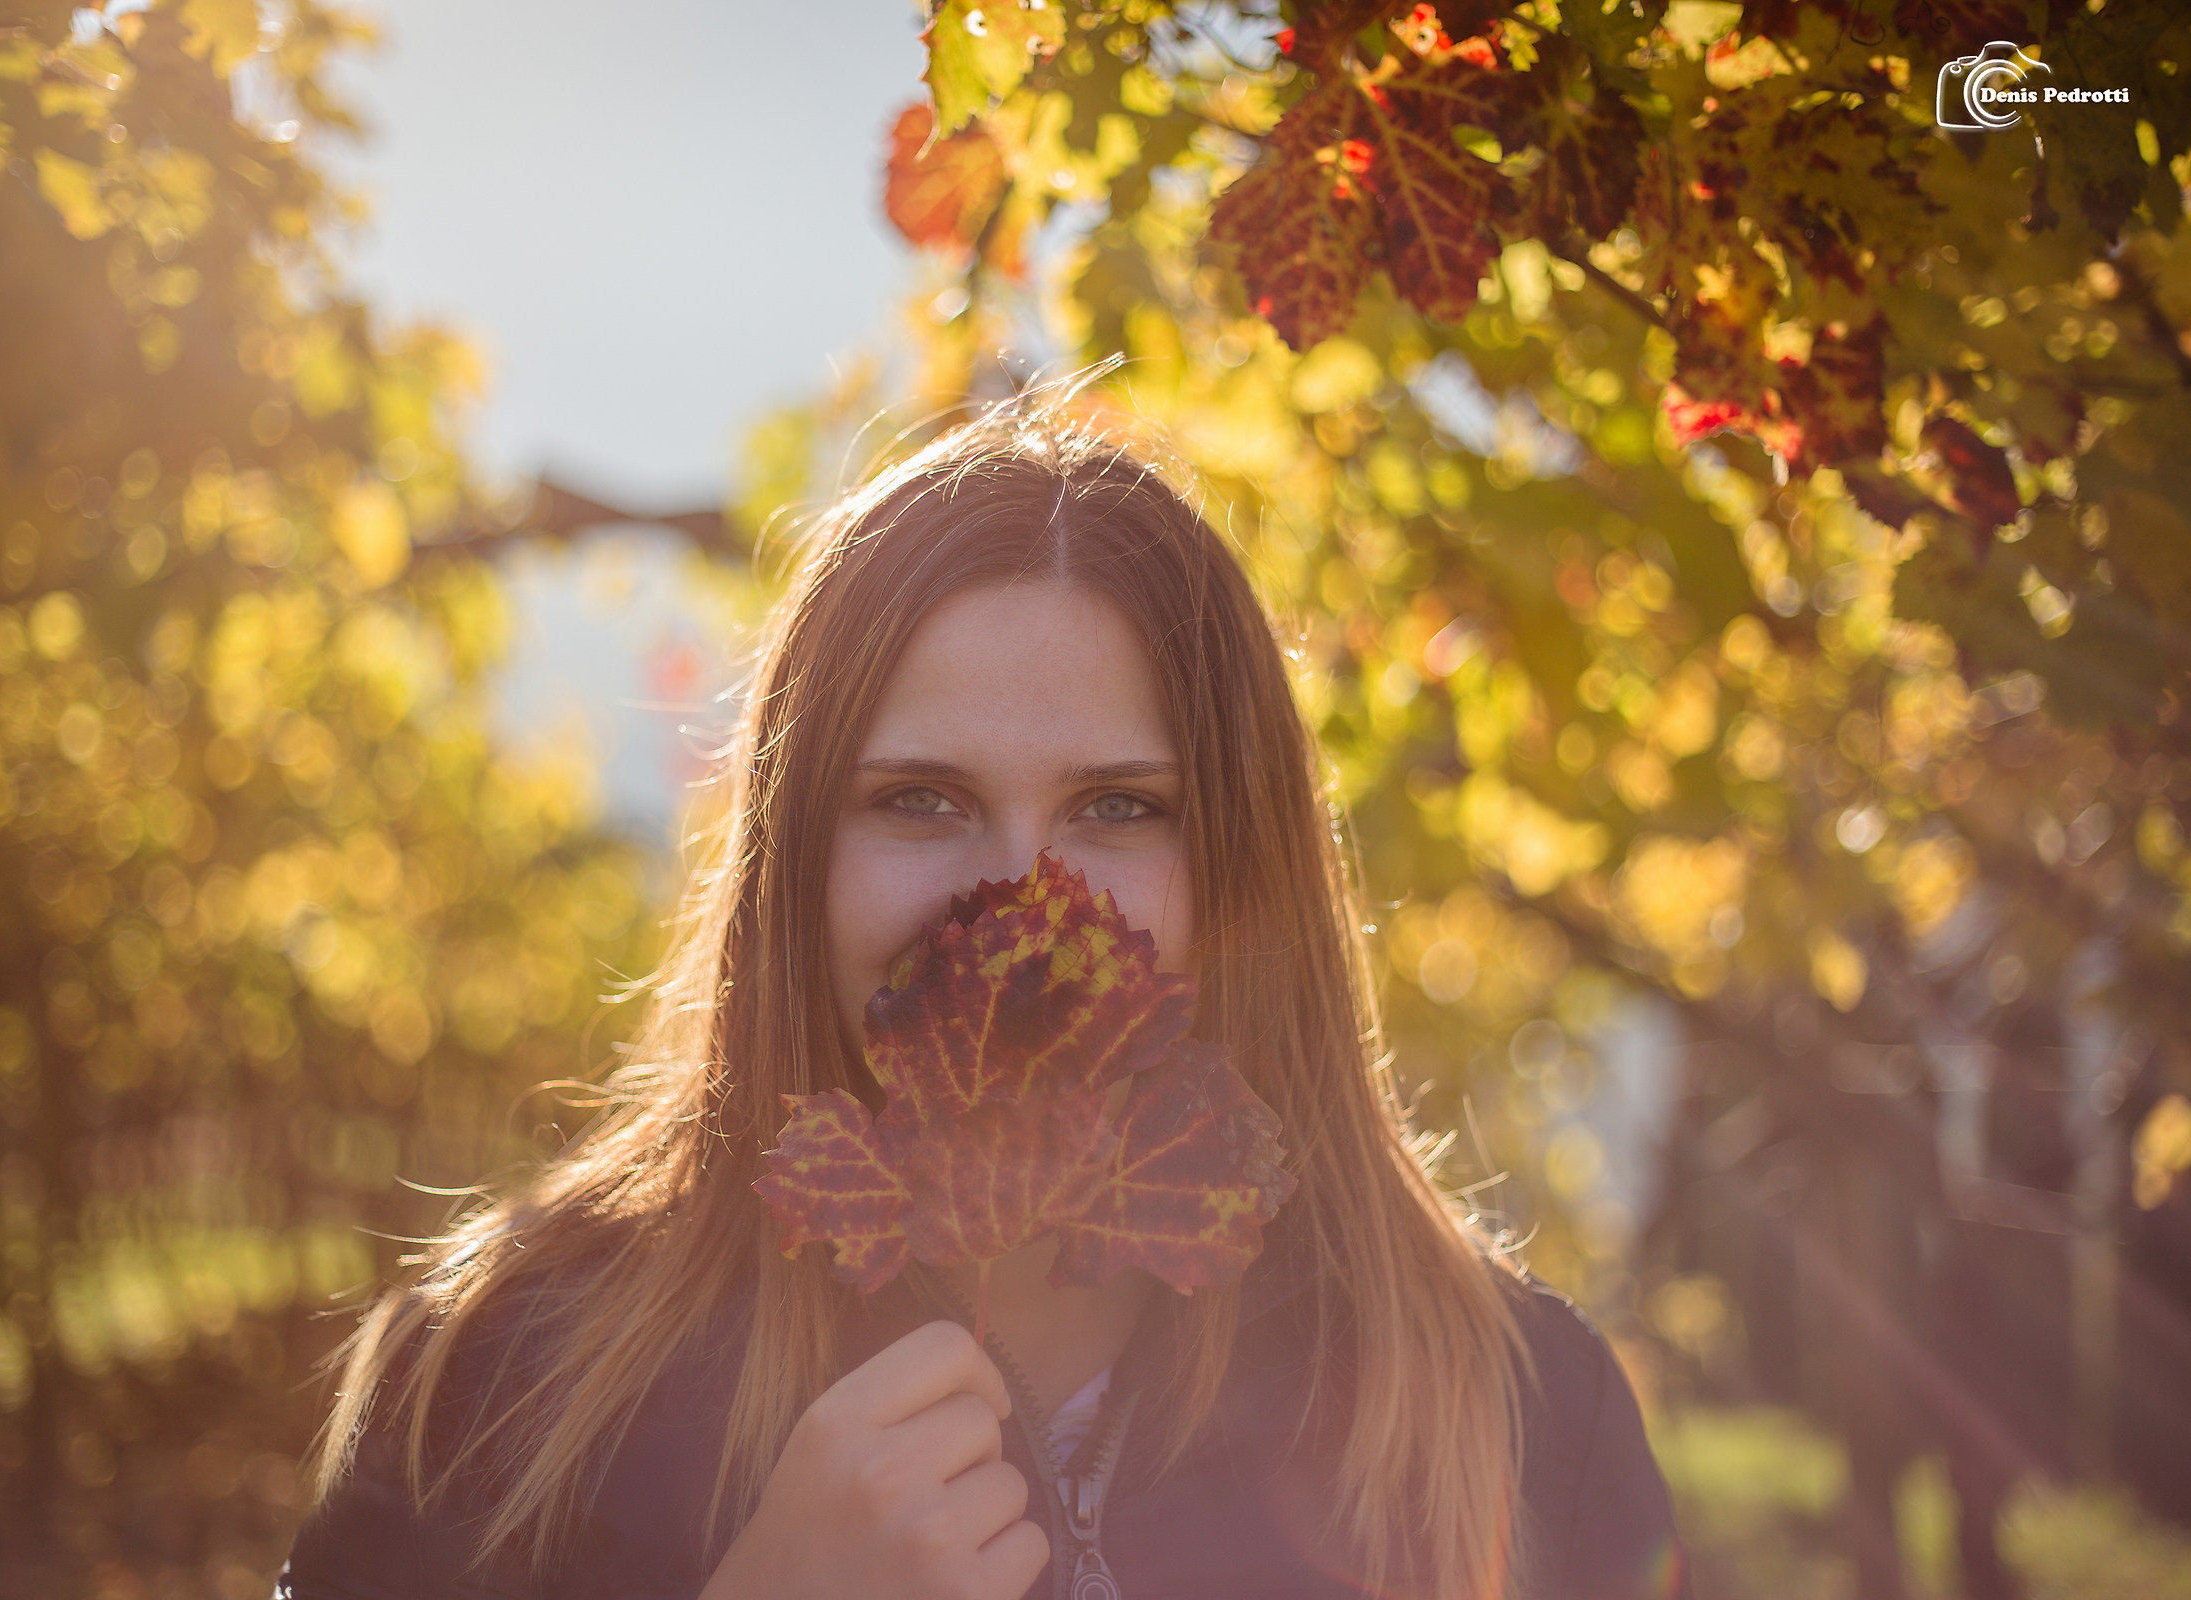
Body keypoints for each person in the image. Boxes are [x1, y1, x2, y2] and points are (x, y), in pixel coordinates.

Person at [276, 380, 1683, 1600]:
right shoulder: (503, 1387)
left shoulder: (1518, 1409)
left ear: (1252, 872)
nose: (1023, 899)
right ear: (793, 864)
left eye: (1122, 810)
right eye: (923, 801)